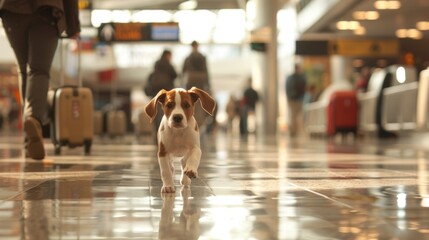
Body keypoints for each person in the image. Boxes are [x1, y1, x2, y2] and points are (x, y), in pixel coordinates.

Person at [0, 0, 80, 160]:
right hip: (46, 11)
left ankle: (28, 138)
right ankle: (34, 119)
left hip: (11, 9)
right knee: (39, 71)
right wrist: (73, 25)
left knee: (24, 70)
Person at [182, 41, 211, 127]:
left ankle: (191, 120)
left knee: (191, 101)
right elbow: (206, 71)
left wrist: (181, 84)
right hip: (201, 83)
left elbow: (183, 71)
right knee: (200, 102)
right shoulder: (202, 57)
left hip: (190, 82)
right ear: (198, 46)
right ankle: (199, 123)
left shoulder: (188, 58)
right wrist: (208, 85)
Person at [150, 49, 178, 130]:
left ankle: (156, 128)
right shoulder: (168, 65)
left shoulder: (157, 64)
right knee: (164, 110)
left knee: (156, 111)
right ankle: (164, 127)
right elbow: (175, 75)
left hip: (156, 92)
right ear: (167, 55)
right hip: (166, 91)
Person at [285, 64, 307, 137]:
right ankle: (296, 131)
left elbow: (287, 89)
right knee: (298, 116)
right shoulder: (301, 78)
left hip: (292, 99)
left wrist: (289, 98)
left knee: (293, 116)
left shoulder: (290, 78)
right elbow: (304, 89)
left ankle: (294, 131)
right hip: (298, 99)